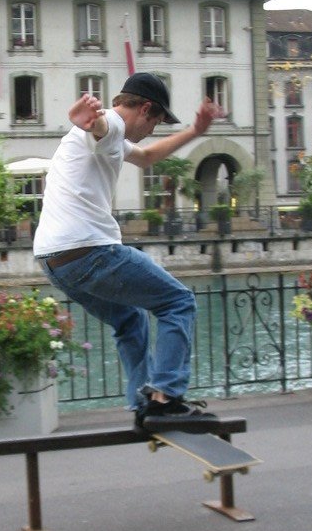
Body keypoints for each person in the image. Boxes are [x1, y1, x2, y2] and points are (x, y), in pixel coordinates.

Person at [33, 73, 222, 423]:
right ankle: (165, 399)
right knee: (178, 302)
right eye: (157, 122)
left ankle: (142, 404)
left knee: (131, 318)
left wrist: (196, 131)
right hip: (90, 251)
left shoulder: (105, 138)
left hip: (55, 261)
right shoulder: (112, 125)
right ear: (146, 108)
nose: (154, 130)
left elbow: (148, 157)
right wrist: (90, 119)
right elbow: (104, 127)